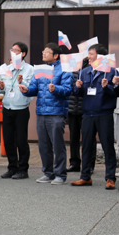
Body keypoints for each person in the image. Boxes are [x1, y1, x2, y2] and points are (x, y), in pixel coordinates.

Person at [20, 43, 72, 185]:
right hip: (41, 112)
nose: (43, 53)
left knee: (58, 145)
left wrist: (55, 89)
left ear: (55, 55)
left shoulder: (64, 69)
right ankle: (48, 173)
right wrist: (26, 89)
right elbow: (34, 88)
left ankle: (60, 174)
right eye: (43, 51)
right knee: (43, 145)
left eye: (47, 52)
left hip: (56, 112)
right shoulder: (40, 69)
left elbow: (68, 90)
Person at [70, 44, 119, 189]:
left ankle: (110, 178)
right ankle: (85, 177)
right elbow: (78, 94)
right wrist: (77, 87)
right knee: (86, 146)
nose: (88, 57)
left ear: (100, 57)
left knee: (107, 146)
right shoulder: (84, 72)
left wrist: (109, 86)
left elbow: (117, 93)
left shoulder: (111, 71)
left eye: (91, 54)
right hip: (88, 114)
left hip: (104, 114)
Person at [0, 42, 34, 179]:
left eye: (16, 50)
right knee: (8, 140)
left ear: (23, 53)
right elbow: (1, 89)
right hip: (7, 108)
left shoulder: (29, 69)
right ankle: (12, 167)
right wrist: (0, 86)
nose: (13, 52)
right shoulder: (6, 68)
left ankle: (23, 169)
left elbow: (31, 89)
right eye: (11, 50)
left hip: (21, 109)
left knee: (21, 140)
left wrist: (22, 82)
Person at [67, 54, 96, 173]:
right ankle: (74, 163)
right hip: (72, 108)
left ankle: (89, 164)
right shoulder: (73, 67)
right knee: (73, 138)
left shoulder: (93, 67)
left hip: (87, 109)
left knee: (89, 138)